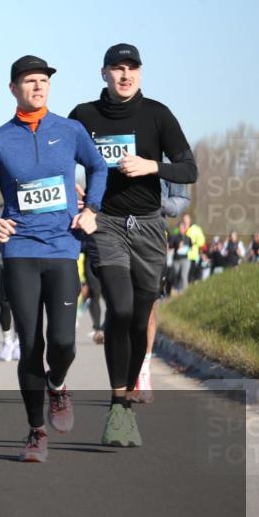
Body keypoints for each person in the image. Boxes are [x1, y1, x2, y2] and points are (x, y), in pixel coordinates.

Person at [0, 55, 107, 462]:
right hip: (20, 252)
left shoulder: (70, 130)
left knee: (63, 342)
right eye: (30, 81)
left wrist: (91, 209)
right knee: (30, 344)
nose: (38, 87)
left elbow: (98, 167)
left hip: (64, 248)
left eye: (43, 81)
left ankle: (58, 386)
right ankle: (36, 431)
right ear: (13, 88)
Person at [69, 43, 197, 447]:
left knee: (140, 320)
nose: (125, 75)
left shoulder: (157, 114)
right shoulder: (84, 116)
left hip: (148, 227)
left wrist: (153, 166)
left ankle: (127, 390)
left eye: (132, 69)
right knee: (119, 309)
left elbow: (189, 169)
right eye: (117, 69)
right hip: (105, 223)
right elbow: (56, 159)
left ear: (140, 74)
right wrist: (71, 193)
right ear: (103, 73)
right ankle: (119, 407)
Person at [134, 178, 191, 403]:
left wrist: (162, 203)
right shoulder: (121, 147)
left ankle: (144, 371)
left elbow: (182, 198)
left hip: (154, 236)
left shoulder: (166, 155)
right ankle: (125, 371)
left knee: (149, 310)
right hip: (118, 234)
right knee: (122, 309)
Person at [0, 238, 17, 361]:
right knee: (4, 304)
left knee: (20, 303)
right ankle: (7, 342)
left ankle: (18, 342)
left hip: (21, 258)